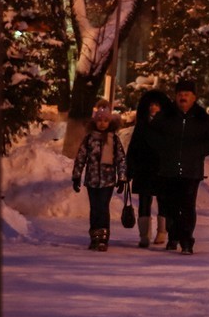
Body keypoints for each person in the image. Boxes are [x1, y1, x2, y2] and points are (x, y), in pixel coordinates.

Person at [146, 79, 209, 254]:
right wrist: (163, 148)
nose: (183, 98)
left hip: (191, 170)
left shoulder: (203, 118)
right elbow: (150, 135)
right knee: (169, 206)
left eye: (186, 95)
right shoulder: (165, 116)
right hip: (168, 169)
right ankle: (173, 236)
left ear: (194, 97)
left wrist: (199, 151)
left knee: (187, 206)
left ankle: (186, 240)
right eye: (180, 94)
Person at [71, 107, 127, 251]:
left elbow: (121, 159)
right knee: (95, 208)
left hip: (107, 180)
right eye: (99, 120)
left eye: (106, 120)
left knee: (103, 208)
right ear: (95, 122)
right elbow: (81, 157)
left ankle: (103, 237)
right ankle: (94, 236)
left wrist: (122, 178)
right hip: (92, 180)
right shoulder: (89, 139)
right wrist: (76, 176)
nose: (102, 123)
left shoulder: (114, 139)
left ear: (110, 122)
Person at [127, 89, 173, 248]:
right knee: (144, 201)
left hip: (162, 168)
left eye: (157, 105)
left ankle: (162, 232)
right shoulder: (142, 125)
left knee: (163, 201)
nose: (153, 107)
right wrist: (130, 167)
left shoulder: (167, 126)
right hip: (144, 168)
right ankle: (144, 235)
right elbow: (133, 147)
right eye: (151, 105)